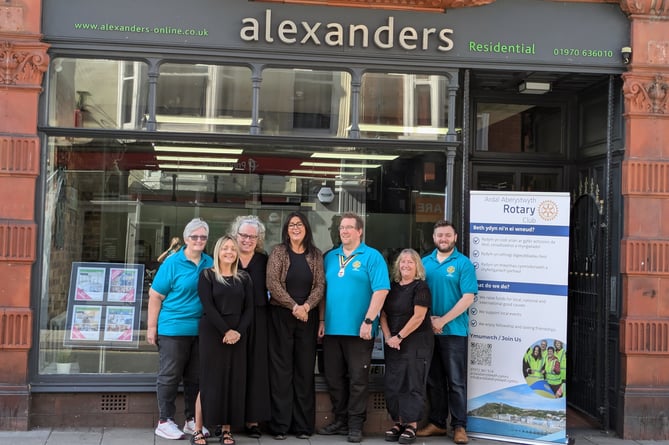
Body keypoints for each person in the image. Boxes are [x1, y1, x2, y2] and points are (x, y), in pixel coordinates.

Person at [318, 212, 390, 443]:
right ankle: (340, 420)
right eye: (342, 227)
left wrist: (369, 321)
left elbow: (381, 291)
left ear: (359, 231)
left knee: (358, 379)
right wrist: (321, 321)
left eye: (349, 227)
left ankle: (355, 424)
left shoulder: (372, 256)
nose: (345, 231)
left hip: (360, 331)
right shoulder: (330, 257)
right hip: (331, 330)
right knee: (334, 377)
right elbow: (322, 294)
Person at [147, 218, 213, 440]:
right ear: (186, 239)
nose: (199, 240)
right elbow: (156, 295)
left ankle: (191, 420)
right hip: (173, 328)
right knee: (170, 375)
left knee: (195, 377)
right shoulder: (172, 263)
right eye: (194, 236)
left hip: (200, 330)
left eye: (203, 237)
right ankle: (164, 420)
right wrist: (151, 327)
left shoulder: (209, 262)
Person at [417, 220, 478, 445]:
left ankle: (459, 426)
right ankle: (437, 423)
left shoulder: (463, 264)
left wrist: (442, 320)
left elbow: (468, 298)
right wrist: (429, 321)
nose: (443, 239)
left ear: (455, 238)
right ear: (434, 238)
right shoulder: (424, 263)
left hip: (454, 331)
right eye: (439, 235)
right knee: (434, 381)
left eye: (447, 235)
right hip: (428, 332)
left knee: (456, 382)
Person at [266, 212, 325, 440]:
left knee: (304, 371)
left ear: (306, 228)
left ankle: (302, 426)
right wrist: (295, 306)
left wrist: (307, 306)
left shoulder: (315, 254)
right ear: (286, 229)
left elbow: (320, 285)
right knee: (281, 372)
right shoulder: (279, 252)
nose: (296, 228)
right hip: (282, 316)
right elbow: (272, 282)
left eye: (299, 224)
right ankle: (280, 426)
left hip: (307, 319)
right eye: (291, 225)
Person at [195, 235, 254, 445]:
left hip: (238, 334)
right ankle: (198, 430)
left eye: (232, 249)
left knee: (233, 382)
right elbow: (208, 307)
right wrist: (225, 331)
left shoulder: (244, 277)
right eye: (225, 248)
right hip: (213, 333)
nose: (229, 252)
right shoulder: (207, 276)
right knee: (209, 381)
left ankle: (226, 430)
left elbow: (249, 309)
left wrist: (237, 331)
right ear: (217, 251)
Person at [380, 249, 434, 445]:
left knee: (412, 382)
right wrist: (388, 337)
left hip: (416, 342)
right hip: (393, 343)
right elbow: (383, 314)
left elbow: (419, 317)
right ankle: (398, 422)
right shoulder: (392, 287)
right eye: (403, 262)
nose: (406, 265)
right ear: (398, 266)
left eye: (410, 262)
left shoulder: (421, 287)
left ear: (417, 266)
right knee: (394, 383)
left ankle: (411, 425)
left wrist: (399, 336)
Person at [229, 215, 271, 438]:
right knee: (231, 368)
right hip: (231, 321)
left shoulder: (265, 261)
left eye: (252, 236)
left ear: (259, 239)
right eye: (243, 235)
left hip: (259, 319)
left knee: (256, 369)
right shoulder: (227, 258)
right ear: (236, 235)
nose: (247, 240)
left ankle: (252, 420)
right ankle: (226, 419)